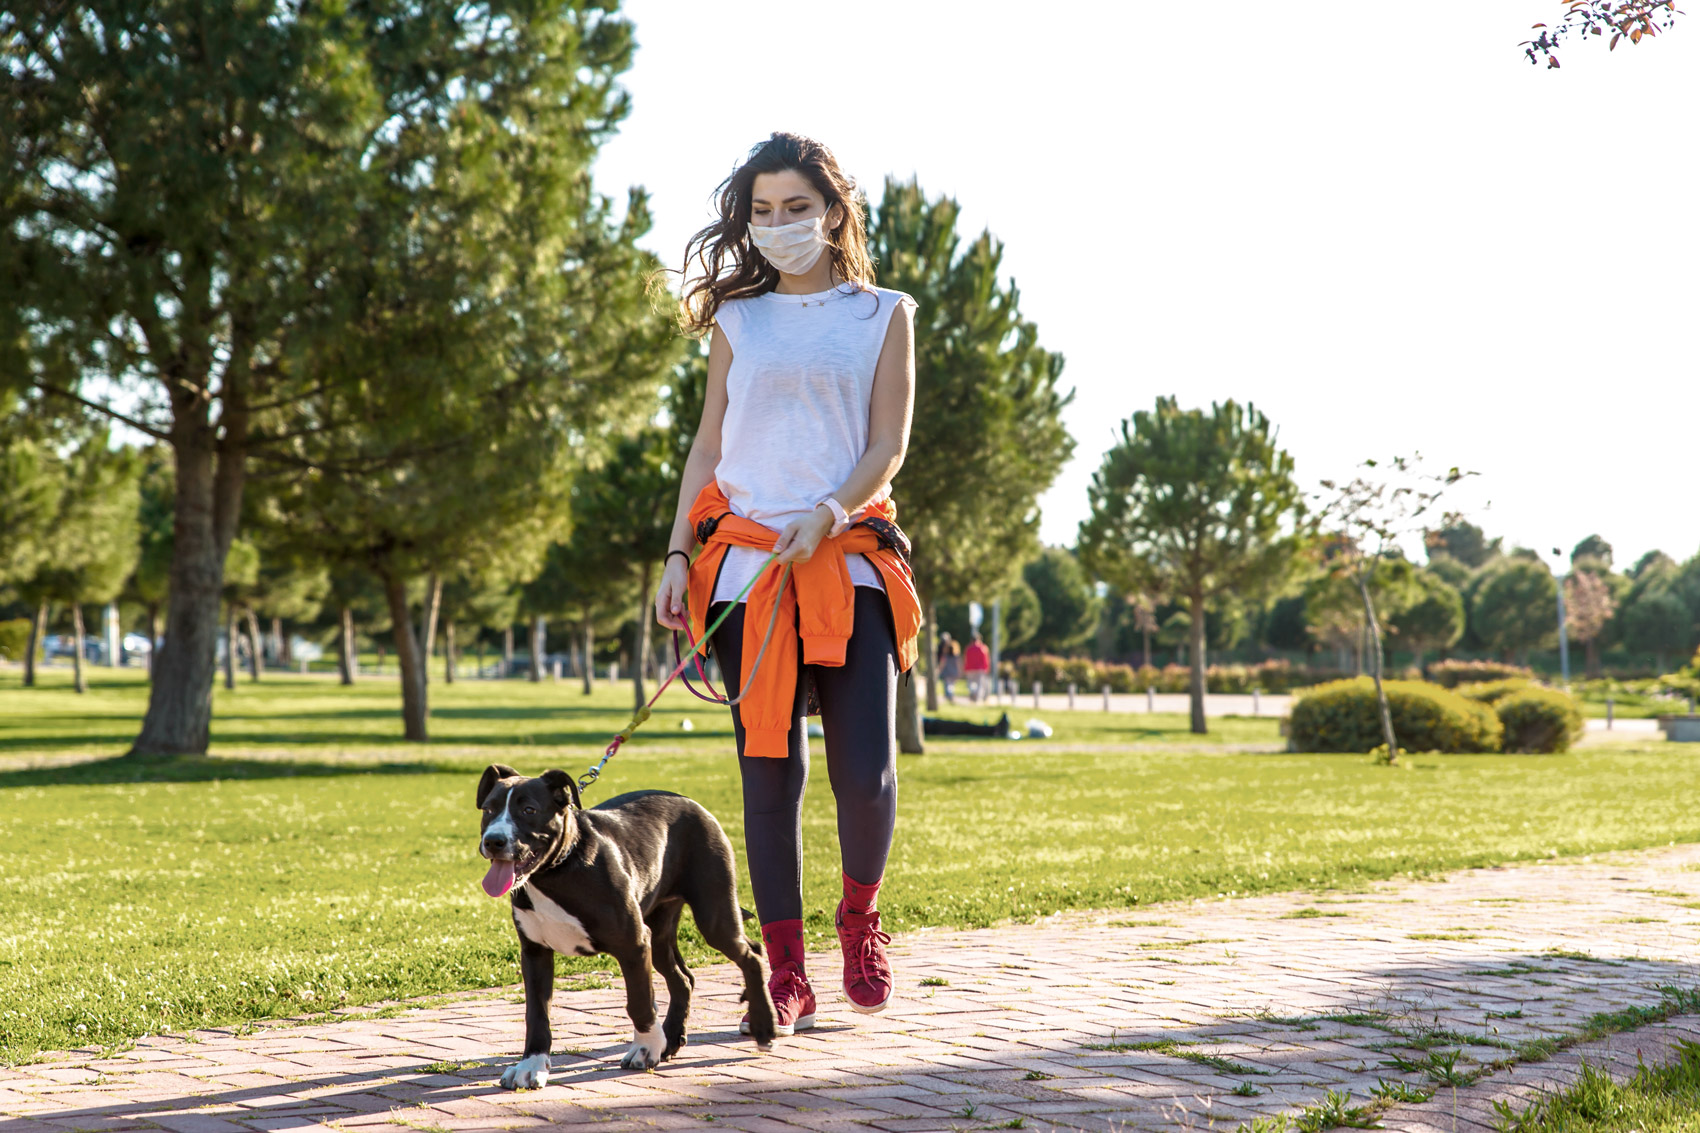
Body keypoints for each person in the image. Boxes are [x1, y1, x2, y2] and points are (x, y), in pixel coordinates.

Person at [653, 133, 921, 1038]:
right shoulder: (740, 321)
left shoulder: (882, 313)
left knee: (866, 769)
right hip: (747, 571)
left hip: (848, 561)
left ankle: (860, 919)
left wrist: (836, 512)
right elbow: (706, 443)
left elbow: (888, 443)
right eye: (761, 212)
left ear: (833, 211)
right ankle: (786, 965)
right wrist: (678, 553)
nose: (778, 226)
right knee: (769, 773)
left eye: (795, 208)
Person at [963, 632, 991, 702]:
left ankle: (973, 694)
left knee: (971, 684)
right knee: (980, 684)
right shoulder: (983, 648)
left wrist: (965, 668)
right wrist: (987, 668)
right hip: (980, 669)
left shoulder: (968, 648)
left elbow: (966, 659)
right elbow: (985, 659)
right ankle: (977, 698)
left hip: (970, 669)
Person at [936, 631, 961, 704]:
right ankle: (950, 696)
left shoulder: (945, 656)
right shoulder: (956, 657)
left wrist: (939, 670)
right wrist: (959, 672)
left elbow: (942, 664)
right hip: (953, 673)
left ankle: (949, 696)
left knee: (947, 685)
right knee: (951, 685)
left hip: (946, 672)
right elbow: (958, 664)